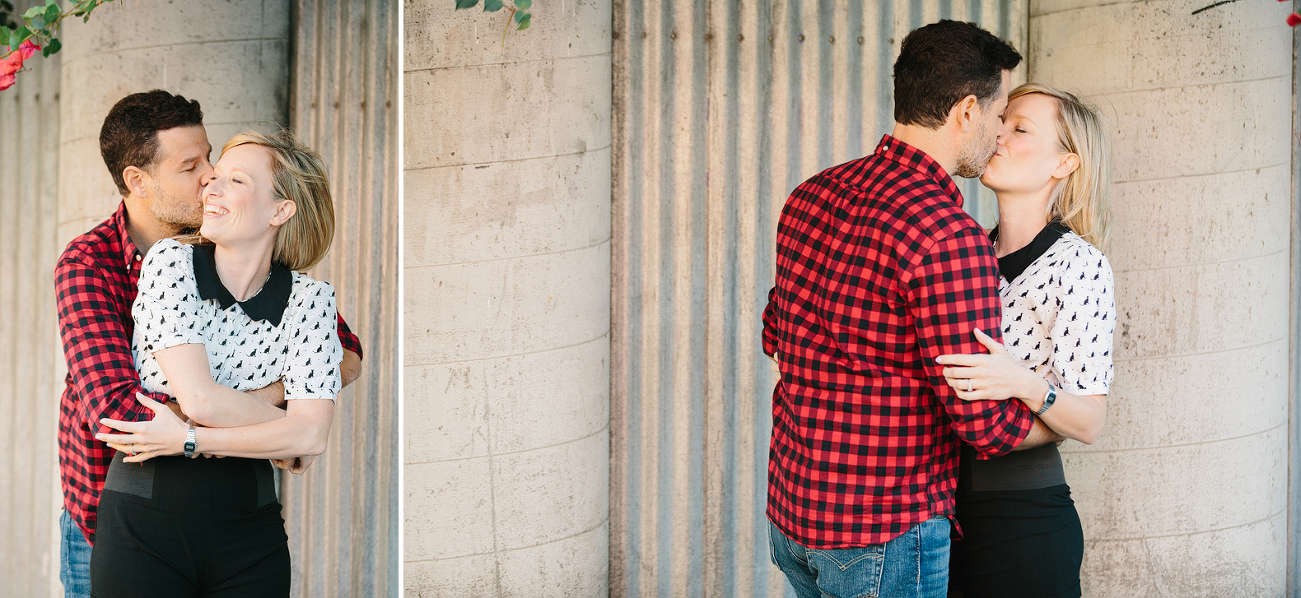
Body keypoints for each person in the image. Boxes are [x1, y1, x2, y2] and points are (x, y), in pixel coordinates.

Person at [761, 20, 1061, 598]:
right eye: (1000, 115)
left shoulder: (810, 194)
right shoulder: (948, 234)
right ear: (967, 111)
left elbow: (777, 334)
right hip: (881, 532)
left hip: (793, 512)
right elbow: (983, 425)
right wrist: (1060, 415)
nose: (1001, 133)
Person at [55, 91, 363, 598]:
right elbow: (119, 413)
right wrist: (289, 424)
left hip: (240, 516)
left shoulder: (269, 270)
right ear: (139, 181)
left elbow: (344, 356)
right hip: (107, 512)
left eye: (212, 158)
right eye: (190, 166)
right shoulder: (91, 266)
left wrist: (287, 423)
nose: (209, 177)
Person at [940, 83, 1114, 598]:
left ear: (1064, 163)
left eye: (1020, 129)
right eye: (1002, 121)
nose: (999, 134)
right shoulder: (962, 251)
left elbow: (1089, 420)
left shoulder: (1079, 265)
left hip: (1022, 524)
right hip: (935, 516)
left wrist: (1024, 383)